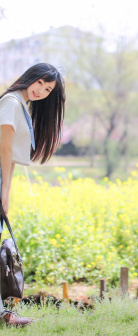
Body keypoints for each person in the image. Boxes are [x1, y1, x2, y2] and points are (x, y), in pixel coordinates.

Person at [0, 63, 65, 326]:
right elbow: (4, 149)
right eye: (40, 83)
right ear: (30, 78)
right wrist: (4, 189)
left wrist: (7, 189)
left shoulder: (19, 105)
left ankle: (5, 314)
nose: (42, 91)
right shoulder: (12, 103)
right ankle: (6, 314)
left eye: (48, 89)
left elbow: (12, 157)